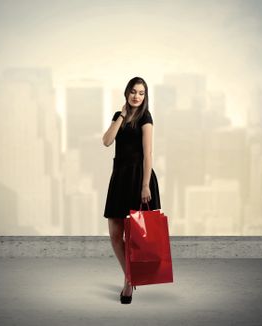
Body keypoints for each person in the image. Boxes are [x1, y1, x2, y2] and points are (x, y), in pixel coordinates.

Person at [102, 76, 161, 304]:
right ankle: (130, 275)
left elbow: (149, 154)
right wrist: (121, 116)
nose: (137, 96)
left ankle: (128, 282)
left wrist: (146, 184)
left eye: (142, 93)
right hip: (119, 178)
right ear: (127, 93)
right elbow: (107, 141)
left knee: (137, 237)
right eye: (133, 92)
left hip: (139, 178)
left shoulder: (146, 117)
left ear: (145, 96)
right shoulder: (119, 116)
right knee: (116, 235)